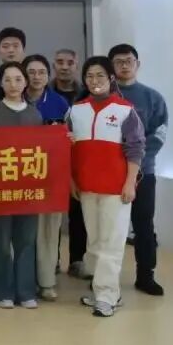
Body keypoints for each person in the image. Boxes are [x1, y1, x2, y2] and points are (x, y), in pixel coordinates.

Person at [69, 56, 145, 317]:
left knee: (111, 243)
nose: (95, 80)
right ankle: (106, 291)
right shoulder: (76, 110)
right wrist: (72, 181)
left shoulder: (125, 110)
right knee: (95, 242)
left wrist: (130, 183)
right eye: (90, 76)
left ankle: (106, 296)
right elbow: (68, 148)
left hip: (116, 188)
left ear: (111, 78)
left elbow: (136, 148)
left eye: (100, 75)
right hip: (86, 187)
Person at [109, 43, 168, 296]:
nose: (124, 65)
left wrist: (136, 160)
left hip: (144, 173)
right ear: (111, 66)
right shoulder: (102, 96)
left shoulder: (152, 97)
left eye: (129, 61)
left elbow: (159, 134)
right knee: (108, 228)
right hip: (108, 174)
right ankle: (106, 277)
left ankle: (146, 275)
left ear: (137, 64)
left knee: (143, 225)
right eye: (119, 61)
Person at [0, 62, 43, 309]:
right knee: (0, 239)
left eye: (18, 79)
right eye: (7, 79)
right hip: (0, 186)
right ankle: (2, 291)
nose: (13, 84)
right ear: (0, 83)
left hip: (28, 186)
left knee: (27, 239)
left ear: (25, 82)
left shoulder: (35, 114)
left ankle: (26, 290)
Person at [23, 54, 71, 301]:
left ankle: (46, 282)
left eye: (41, 72)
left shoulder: (59, 103)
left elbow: (71, 136)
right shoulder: (13, 100)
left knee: (49, 232)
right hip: (18, 177)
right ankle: (24, 280)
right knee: (24, 233)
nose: (36, 77)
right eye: (31, 72)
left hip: (51, 176)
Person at [52, 50, 89, 280]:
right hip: (52, 164)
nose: (64, 67)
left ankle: (77, 259)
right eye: (60, 62)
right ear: (54, 65)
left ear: (76, 66)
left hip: (79, 162)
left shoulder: (86, 94)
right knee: (52, 215)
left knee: (78, 214)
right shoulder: (44, 92)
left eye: (70, 63)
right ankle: (52, 260)